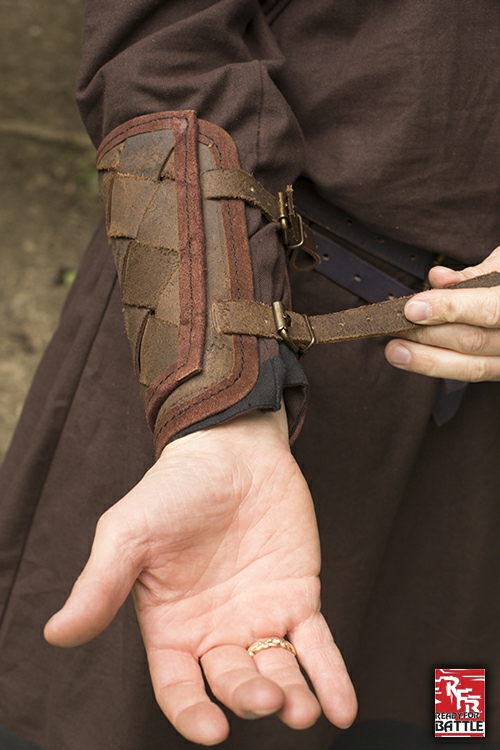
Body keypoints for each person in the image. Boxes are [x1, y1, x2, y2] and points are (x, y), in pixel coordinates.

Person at [1, 2, 500, 749]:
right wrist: (219, 405)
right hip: (212, 341)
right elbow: (163, 45)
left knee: (444, 717)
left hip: (471, 481)